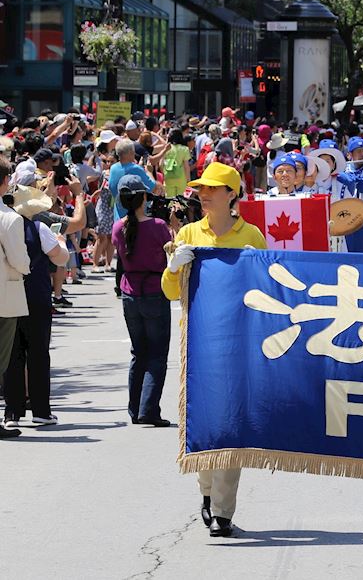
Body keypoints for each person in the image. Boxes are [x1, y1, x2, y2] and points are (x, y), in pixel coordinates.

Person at [161, 161, 268, 538]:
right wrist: (174, 266)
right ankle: (206, 493)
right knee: (204, 422)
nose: (203, 194)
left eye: (212, 188)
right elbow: (171, 291)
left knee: (232, 424)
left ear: (232, 195)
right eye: (201, 188)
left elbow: (266, 288)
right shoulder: (190, 231)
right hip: (199, 343)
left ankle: (223, 511)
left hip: (239, 343)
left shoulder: (252, 236)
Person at [2, 185, 68, 430]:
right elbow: (60, 258)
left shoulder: (4, 225)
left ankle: (12, 411)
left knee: (12, 354)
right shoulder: (39, 228)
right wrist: (60, 241)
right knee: (38, 352)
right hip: (37, 295)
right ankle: (41, 410)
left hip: (9, 294)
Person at [111, 175, 174, 427]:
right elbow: (173, 248)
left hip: (130, 293)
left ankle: (135, 409)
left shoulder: (118, 227)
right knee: (157, 353)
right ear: (143, 197)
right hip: (154, 291)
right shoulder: (158, 226)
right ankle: (148, 408)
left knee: (139, 352)